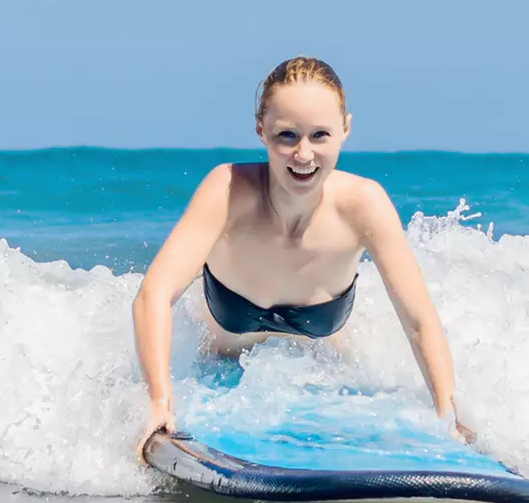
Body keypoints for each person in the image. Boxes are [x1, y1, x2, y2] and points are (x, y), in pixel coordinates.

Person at [131, 57, 470, 456]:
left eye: (320, 135)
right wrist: (159, 402)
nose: (304, 154)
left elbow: (418, 322)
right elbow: (153, 296)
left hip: (322, 385)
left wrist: (447, 414)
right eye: (287, 135)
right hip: (215, 378)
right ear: (261, 130)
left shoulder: (364, 205)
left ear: (346, 128)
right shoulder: (227, 191)